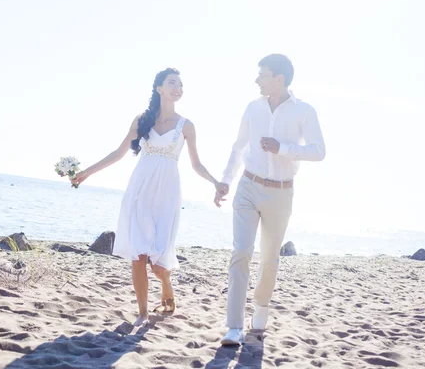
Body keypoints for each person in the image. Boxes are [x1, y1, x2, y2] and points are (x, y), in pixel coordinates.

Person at [72, 68, 227, 326]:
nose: (177, 88)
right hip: (140, 191)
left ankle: (166, 282)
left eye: (180, 84)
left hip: (167, 194)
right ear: (159, 88)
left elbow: (196, 164)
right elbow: (118, 153)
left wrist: (215, 182)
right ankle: (142, 314)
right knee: (138, 255)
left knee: (158, 259)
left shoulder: (186, 126)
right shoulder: (142, 120)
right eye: (172, 83)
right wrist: (87, 172)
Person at [216, 54, 326, 345]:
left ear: (279, 78)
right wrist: (225, 181)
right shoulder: (252, 108)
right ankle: (234, 327)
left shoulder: (304, 111)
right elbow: (239, 147)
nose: (257, 80)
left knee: (269, 259)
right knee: (241, 252)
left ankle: (261, 308)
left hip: (281, 192)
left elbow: (319, 151)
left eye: (262, 75)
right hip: (248, 187)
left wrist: (283, 148)